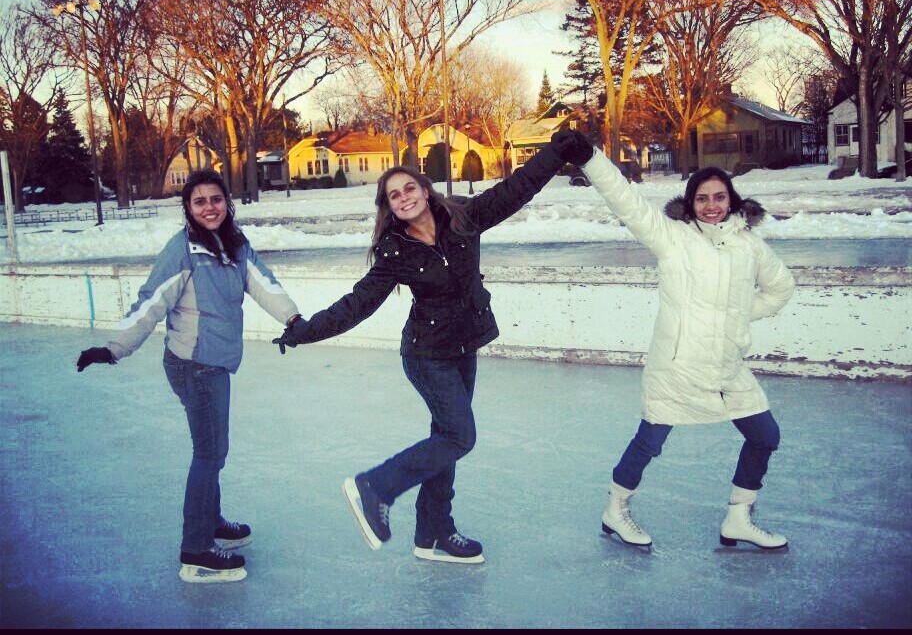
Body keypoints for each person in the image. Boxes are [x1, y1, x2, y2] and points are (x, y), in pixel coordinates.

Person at [273, 129, 592, 563]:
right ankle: (376, 487)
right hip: (426, 356)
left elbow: (516, 189)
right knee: (460, 436)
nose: (403, 197)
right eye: (393, 195)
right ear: (388, 207)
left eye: (409, 188)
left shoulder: (465, 217)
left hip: (464, 346)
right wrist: (305, 331)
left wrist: (556, 154)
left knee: (445, 440)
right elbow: (358, 305)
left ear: (424, 190)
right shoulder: (394, 252)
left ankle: (434, 533)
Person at [566, 138, 795, 551]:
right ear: (690, 203)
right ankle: (615, 511)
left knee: (765, 435)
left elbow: (781, 288)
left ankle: (739, 517)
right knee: (649, 443)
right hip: (677, 366)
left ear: (731, 199)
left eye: (719, 197)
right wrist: (590, 158)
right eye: (702, 198)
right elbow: (626, 200)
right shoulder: (672, 238)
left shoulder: (750, 245)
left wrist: (740, 313)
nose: (712, 206)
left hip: (727, 368)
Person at [75, 169, 302, 583]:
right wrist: (114, 348)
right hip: (193, 365)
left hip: (215, 363)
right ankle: (196, 549)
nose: (209, 208)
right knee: (210, 453)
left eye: (216, 199)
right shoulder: (182, 249)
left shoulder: (234, 244)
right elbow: (152, 301)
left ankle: (211, 521)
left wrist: (294, 318)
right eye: (199, 202)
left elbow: (264, 283)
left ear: (226, 203)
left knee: (214, 450)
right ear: (188, 208)